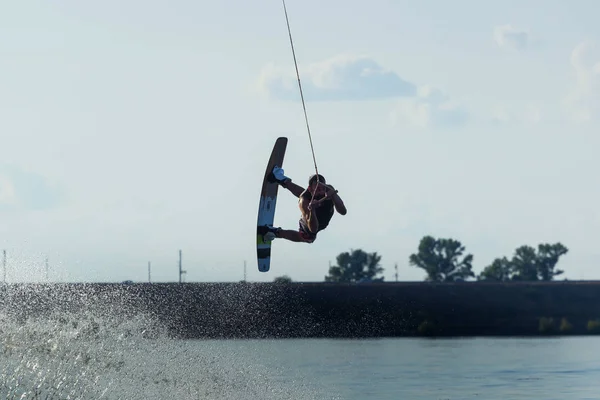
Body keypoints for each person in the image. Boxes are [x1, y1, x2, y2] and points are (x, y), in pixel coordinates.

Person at [259, 165, 347, 243]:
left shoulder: (328, 189)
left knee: (304, 193)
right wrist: (312, 210)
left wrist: (334, 196)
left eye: (322, 188)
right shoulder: (304, 202)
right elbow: (313, 229)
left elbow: (343, 212)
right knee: (308, 237)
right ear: (310, 189)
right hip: (309, 222)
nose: (321, 191)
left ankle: (280, 179)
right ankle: (273, 232)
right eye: (317, 189)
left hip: (322, 218)